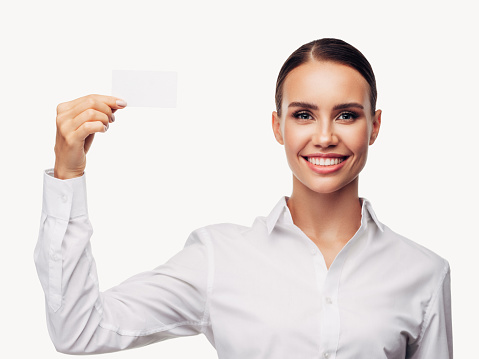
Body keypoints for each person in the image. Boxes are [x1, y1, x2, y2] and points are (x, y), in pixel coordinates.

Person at [34, 38, 453, 358]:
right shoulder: (219, 257)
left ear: (374, 126)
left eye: (346, 115)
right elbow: (80, 330)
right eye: (303, 114)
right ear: (277, 126)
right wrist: (68, 174)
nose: (325, 137)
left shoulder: (423, 273)